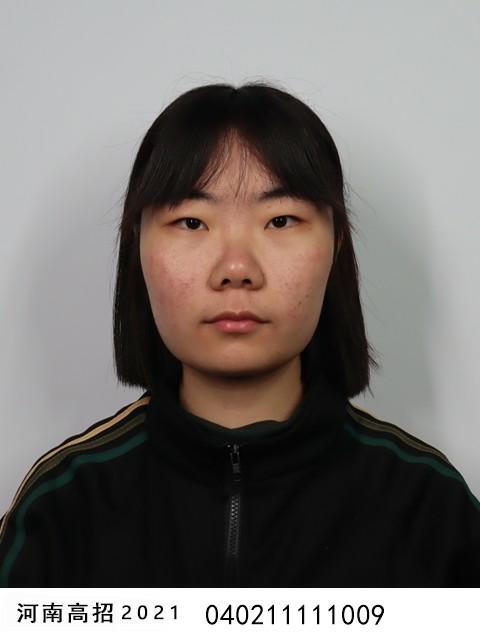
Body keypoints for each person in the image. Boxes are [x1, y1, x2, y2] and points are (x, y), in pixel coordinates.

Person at [0, 82, 479, 588]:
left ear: (337, 244)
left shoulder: (431, 507)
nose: (235, 269)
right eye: (191, 222)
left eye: (280, 220)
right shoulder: (60, 507)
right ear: (136, 247)